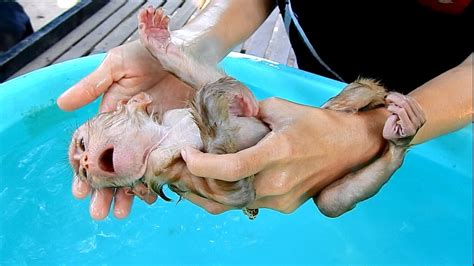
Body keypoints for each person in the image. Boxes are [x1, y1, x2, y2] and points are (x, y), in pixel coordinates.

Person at [57, 0, 472, 219]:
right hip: (318, 92)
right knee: (331, 205)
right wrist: (190, 43)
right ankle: (396, 150)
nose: (83, 162)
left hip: (449, 99)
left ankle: (396, 143)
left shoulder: (180, 132)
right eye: (82, 166)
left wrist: (371, 131)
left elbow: (223, 92)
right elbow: (227, 90)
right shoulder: (166, 168)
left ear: (136, 103)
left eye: (79, 144)